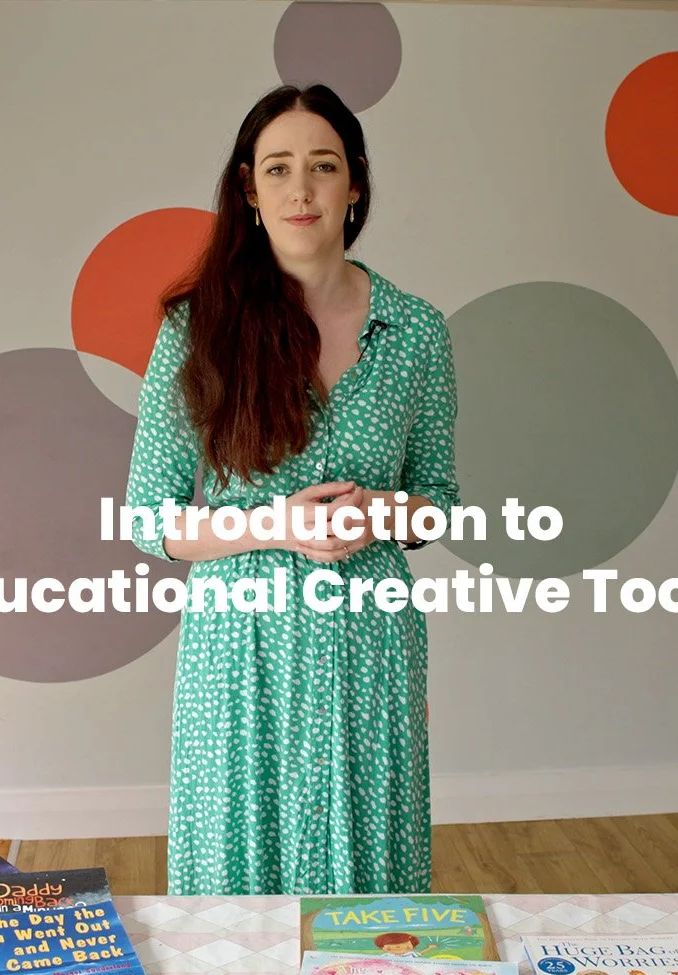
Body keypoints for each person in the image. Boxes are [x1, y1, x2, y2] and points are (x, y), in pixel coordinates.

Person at [123, 83, 459, 897]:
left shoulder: (417, 332)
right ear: (249, 189)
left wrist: (381, 512)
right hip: (240, 649)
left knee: (369, 879)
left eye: (322, 166)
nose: (300, 189)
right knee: (239, 866)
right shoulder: (196, 329)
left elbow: (440, 499)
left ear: (356, 184)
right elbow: (149, 519)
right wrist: (273, 525)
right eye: (278, 169)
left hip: (370, 646)